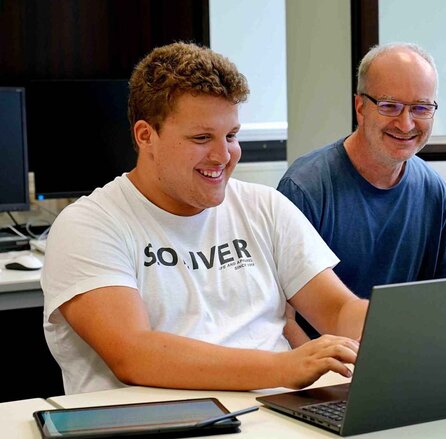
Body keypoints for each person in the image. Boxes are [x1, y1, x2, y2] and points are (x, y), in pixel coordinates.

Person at [41, 42, 368, 395]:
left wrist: (397, 329)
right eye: (202, 138)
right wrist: (285, 366)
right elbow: (133, 354)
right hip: (161, 424)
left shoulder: (265, 207)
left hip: (275, 417)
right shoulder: (89, 225)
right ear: (145, 135)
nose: (223, 155)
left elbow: (337, 311)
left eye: (231, 136)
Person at [277, 43, 446, 338]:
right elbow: (281, 321)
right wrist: (330, 380)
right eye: (390, 106)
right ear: (361, 108)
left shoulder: (434, 192)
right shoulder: (305, 189)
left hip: (402, 365)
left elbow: (442, 305)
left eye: (421, 108)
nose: (406, 123)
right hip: (323, 370)